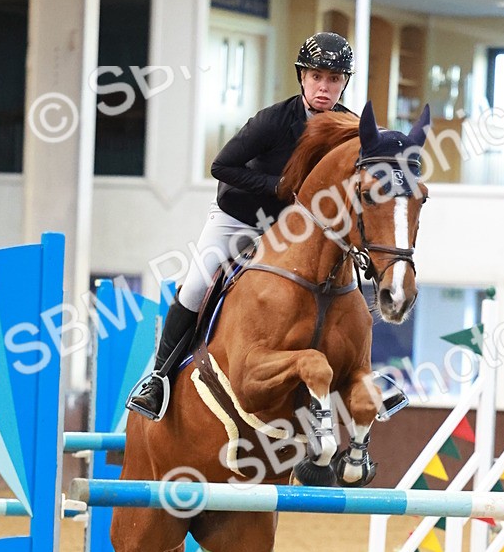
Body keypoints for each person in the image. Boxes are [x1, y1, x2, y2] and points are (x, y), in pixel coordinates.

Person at [128, 30, 355, 420]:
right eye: (317, 76)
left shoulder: (348, 126)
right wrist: (280, 187)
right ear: (302, 77)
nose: (324, 87)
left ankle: (362, 374)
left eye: (333, 79)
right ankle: (158, 378)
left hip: (295, 229)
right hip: (240, 217)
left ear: (344, 83)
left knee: (354, 277)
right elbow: (222, 166)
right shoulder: (272, 120)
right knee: (198, 283)